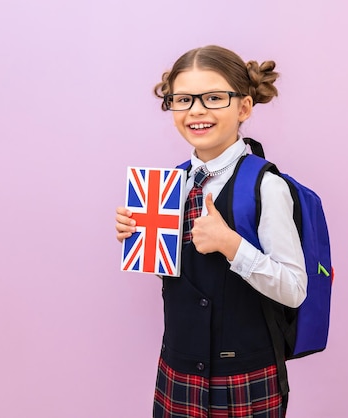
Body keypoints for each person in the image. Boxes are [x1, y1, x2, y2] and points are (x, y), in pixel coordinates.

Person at [115, 45, 307, 418]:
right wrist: (141, 238)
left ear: (244, 108)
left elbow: (294, 289)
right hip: (179, 369)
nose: (196, 111)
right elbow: (186, 280)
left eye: (214, 97)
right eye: (183, 99)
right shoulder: (168, 186)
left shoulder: (266, 187)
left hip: (245, 375)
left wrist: (232, 246)